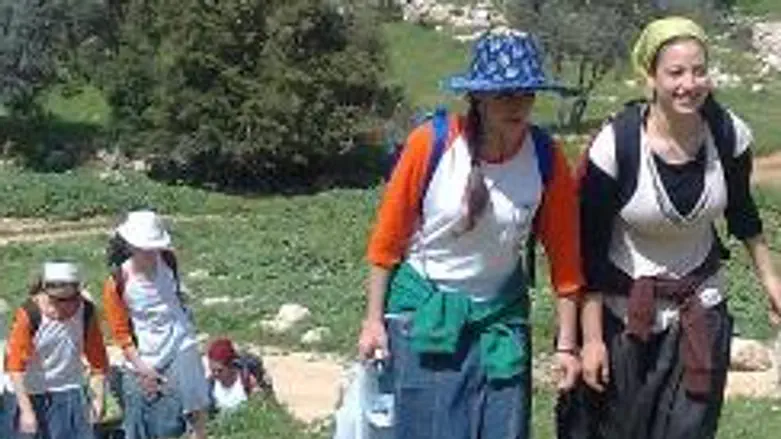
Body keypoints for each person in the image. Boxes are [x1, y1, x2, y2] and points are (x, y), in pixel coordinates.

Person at [358, 27, 584, 439]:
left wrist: (566, 345)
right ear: (478, 97)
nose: (517, 105)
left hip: (500, 319)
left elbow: (566, 260)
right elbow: (387, 241)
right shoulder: (433, 143)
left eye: (526, 93)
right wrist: (373, 321)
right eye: (504, 94)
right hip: (425, 314)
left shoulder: (545, 157)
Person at [568, 16, 781, 439]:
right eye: (676, 72)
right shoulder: (616, 146)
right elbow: (589, 251)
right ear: (651, 76)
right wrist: (590, 339)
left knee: (690, 431)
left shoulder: (728, 135)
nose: (689, 83)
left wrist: (772, 283)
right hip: (625, 316)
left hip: (702, 308)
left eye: (699, 70)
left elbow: (742, 215)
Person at [102, 210, 210, 439]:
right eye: (145, 249)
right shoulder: (117, 283)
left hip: (180, 339)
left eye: (154, 248)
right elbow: (121, 334)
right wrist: (142, 367)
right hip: (145, 350)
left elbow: (175, 297)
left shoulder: (169, 261)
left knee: (194, 397)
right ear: (131, 246)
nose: (151, 253)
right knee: (139, 407)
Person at [5, 262, 109, 439]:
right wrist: (27, 411)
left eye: (71, 300)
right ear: (45, 294)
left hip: (69, 387)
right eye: (58, 301)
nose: (65, 307)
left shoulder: (86, 312)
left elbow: (98, 361)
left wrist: (98, 397)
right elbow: (15, 368)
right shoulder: (29, 315)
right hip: (29, 390)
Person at [204, 337, 274, 414]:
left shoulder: (247, 380)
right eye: (212, 370)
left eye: (220, 371)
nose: (215, 374)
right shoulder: (210, 386)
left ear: (230, 366)